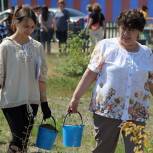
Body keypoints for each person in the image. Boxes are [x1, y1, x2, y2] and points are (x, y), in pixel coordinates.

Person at [67, 9, 153, 153]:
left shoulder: (147, 53)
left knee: (137, 151)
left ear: (139, 31)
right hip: (107, 111)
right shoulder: (105, 46)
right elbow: (90, 74)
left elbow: (150, 82)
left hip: (136, 113)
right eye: (123, 28)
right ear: (119, 26)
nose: (126, 34)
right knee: (103, 149)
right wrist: (75, 98)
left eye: (131, 30)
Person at [0, 6, 51, 153]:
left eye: (32, 27)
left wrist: (44, 102)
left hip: (31, 100)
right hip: (11, 100)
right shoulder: (5, 46)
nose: (29, 30)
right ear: (16, 23)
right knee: (18, 139)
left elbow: (41, 77)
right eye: (25, 26)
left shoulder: (37, 47)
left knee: (24, 140)